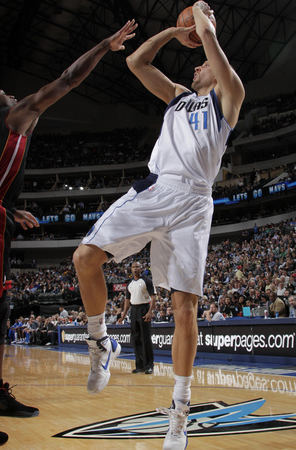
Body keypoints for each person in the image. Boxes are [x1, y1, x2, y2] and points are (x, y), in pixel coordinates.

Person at [73, 2, 244, 449]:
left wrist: (204, 27)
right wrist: (174, 30)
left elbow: (220, 63)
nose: (197, 65)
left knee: (185, 309)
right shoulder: (177, 97)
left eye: (203, 63)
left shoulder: (228, 99)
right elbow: (135, 62)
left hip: (194, 203)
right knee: (84, 257)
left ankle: (180, 416)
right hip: (156, 188)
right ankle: (99, 344)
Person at [0, 20, 138, 447]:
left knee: (1, 310)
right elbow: (67, 79)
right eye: (6, 94)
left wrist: (7, 207)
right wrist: (104, 44)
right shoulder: (6, 117)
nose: (14, 96)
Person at [118, 261, 156, 374]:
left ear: (141, 268)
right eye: (133, 267)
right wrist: (123, 315)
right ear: (131, 269)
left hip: (144, 308)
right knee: (136, 339)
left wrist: (150, 311)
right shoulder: (129, 283)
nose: (135, 269)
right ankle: (140, 365)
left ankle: (149, 365)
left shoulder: (147, 280)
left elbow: (153, 297)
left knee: (146, 338)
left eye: (137, 267)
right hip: (133, 310)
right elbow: (127, 301)